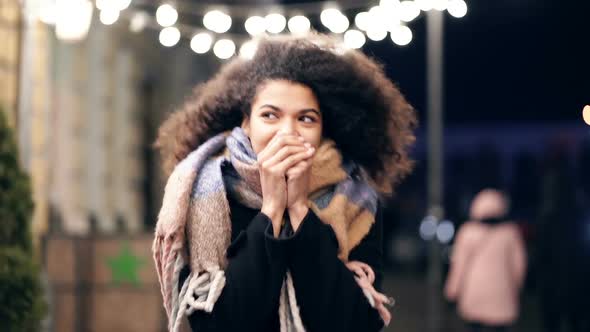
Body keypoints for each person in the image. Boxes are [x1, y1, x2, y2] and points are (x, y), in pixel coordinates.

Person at [152, 34, 416, 332]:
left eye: (306, 119)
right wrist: (273, 210)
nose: (287, 132)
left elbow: (356, 323)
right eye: (270, 115)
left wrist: (300, 209)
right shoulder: (205, 193)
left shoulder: (357, 199)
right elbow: (219, 324)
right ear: (246, 123)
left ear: (324, 130)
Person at [444, 189, 527, 332]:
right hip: (502, 294)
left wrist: (452, 292)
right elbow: (519, 265)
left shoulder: (467, 231)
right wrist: (517, 287)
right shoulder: (510, 233)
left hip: (474, 293)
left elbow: (459, 266)